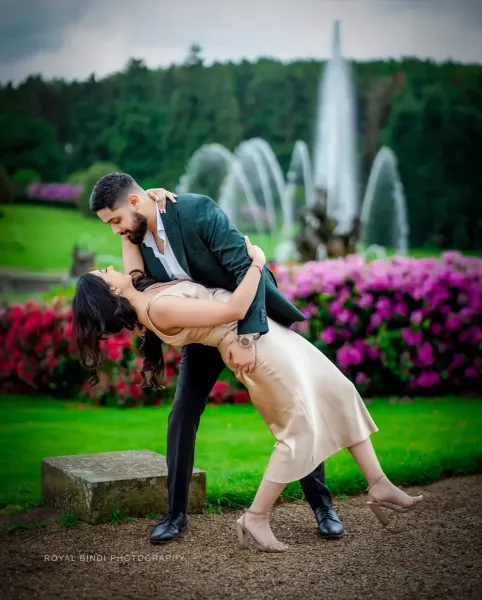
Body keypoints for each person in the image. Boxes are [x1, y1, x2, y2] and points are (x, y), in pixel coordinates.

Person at [72, 238, 424, 553]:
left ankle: (379, 483)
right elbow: (234, 310)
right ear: (111, 293)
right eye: (105, 272)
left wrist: (150, 196)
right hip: (253, 347)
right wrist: (256, 261)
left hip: (266, 335)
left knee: (339, 391)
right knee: (298, 430)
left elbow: (129, 234)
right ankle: (255, 518)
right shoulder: (156, 308)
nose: (110, 266)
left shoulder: (141, 290)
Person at [87, 172, 347, 544]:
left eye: (115, 221)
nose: (114, 231)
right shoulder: (136, 233)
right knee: (182, 414)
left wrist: (246, 335)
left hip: (246, 319)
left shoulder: (196, 211)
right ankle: (175, 516)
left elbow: (248, 267)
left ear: (133, 202)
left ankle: (323, 507)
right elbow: (135, 282)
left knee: (291, 408)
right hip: (202, 332)